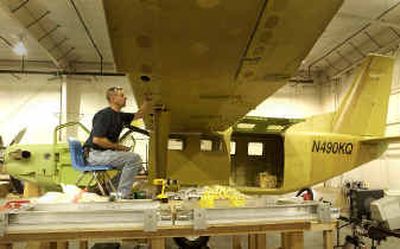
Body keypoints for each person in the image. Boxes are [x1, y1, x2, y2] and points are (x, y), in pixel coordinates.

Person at [83, 86, 151, 199]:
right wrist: (118, 147)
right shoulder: (104, 115)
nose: (126, 98)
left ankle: (109, 189)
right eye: (122, 96)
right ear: (113, 98)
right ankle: (122, 195)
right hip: (95, 155)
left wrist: (147, 101)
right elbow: (97, 139)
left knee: (137, 165)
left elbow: (139, 115)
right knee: (134, 159)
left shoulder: (120, 116)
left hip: (103, 153)